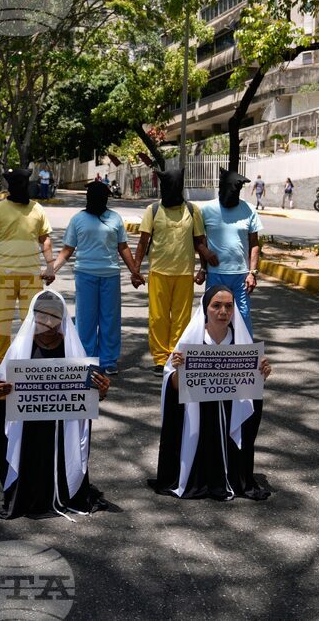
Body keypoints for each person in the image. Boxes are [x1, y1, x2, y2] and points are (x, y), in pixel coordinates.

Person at [0, 290, 111, 519]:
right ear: (32, 316)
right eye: (42, 316)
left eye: (54, 316)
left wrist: (101, 391)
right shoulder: (20, 348)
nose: (48, 323)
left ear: (62, 318)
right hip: (29, 429)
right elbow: (1, 391)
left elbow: (86, 399)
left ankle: (64, 493)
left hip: (61, 428)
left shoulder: (72, 349)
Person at [150, 286, 272, 501]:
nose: (223, 311)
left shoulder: (241, 343)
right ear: (206, 309)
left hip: (229, 408)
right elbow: (174, 389)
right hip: (199, 412)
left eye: (228, 306)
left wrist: (262, 374)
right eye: (216, 306)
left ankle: (231, 477)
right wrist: (178, 370)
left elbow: (250, 390)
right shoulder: (192, 341)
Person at [53, 182, 143, 375]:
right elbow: (68, 250)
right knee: (86, 319)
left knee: (110, 319)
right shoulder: (78, 219)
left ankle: (108, 360)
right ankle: (86, 359)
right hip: (85, 275)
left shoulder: (115, 218)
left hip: (110, 274)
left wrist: (134, 271)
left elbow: (123, 247)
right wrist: (52, 269)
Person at [133, 168, 213, 375]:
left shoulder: (192, 210)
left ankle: (175, 356)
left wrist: (203, 268)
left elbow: (200, 241)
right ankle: (160, 359)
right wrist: (135, 269)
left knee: (181, 318)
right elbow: (143, 241)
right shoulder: (153, 210)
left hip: (185, 272)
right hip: (158, 272)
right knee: (158, 318)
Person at [0, 168, 56, 376]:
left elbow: (45, 239)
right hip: (3, 275)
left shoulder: (37, 209)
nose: (20, 187)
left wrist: (50, 265)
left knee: (33, 320)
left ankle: (30, 359)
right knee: (1, 320)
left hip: (32, 274)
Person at [200, 169, 264, 336]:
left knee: (242, 317)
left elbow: (254, 244)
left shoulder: (249, 210)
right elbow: (199, 240)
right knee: (214, 316)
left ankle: (244, 356)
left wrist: (252, 273)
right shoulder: (206, 210)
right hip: (216, 274)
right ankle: (213, 353)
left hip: (241, 275)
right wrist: (205, 258)